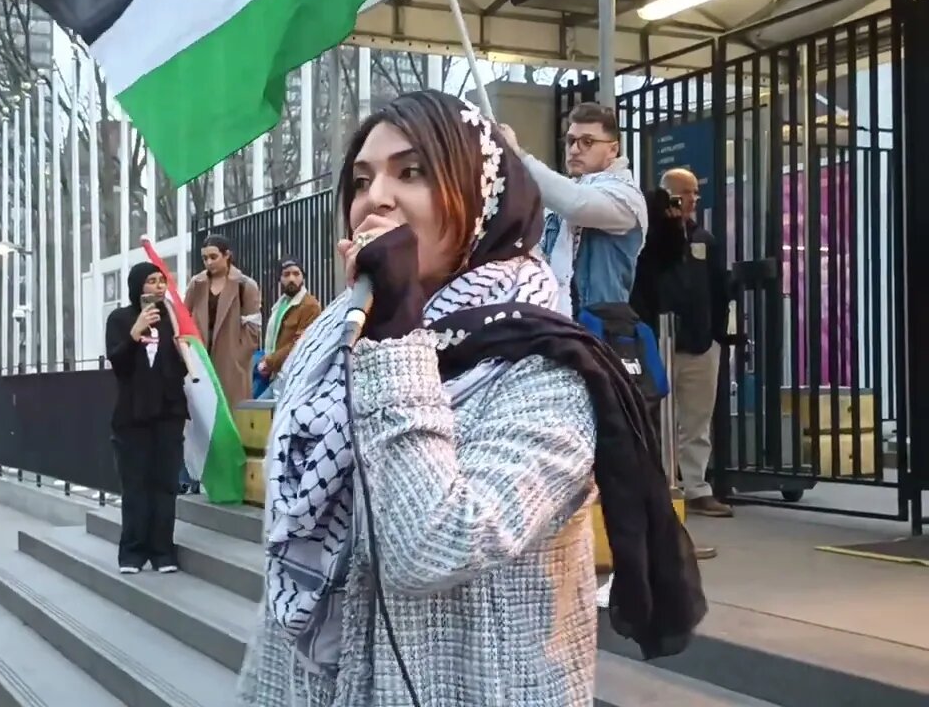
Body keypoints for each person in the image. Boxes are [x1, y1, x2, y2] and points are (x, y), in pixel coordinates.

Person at [237, 90, 703, 706]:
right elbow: (288, 582)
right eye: (360, 180)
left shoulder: (548, 368)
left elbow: (432, 545)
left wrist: (396, 331)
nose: (374, 199)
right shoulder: (335, 339)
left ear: (480, 199)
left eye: (412, 172)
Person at [634, 168, 734, 518]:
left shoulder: (704, 239)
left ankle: (696, 487)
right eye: (683, 193)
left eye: (694, 193)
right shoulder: (644, 239)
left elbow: (721, 290)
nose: (691, 200)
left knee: (696, 420)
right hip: (657, 343)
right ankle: (660, 488)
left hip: (700, 342)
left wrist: (718, 336)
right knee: (654, 418)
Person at [498, 102, 650, 317]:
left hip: (599, 330)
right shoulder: (567, 194)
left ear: (613, 149)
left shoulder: (626, 196)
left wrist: (518, 155)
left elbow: (576, 204)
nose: (575, 149)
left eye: (587, 142)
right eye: (570, 141)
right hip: (556, 323)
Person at [105, 262, 188, 574]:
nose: (158, 286)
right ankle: (132, 553)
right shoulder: (120, 318)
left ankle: (163, 552)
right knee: (136, 485)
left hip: (168, 413)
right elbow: (118, 362)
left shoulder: (174, 321)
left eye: (161, 281)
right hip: (133, 415)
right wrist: (135, 332)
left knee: (165, 484)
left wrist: (184, 352)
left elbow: (182, 366)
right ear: (138, 286)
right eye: (151, 281)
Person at [184, 234, 262, 406]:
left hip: (231, 361)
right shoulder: (196, 284)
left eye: (213, 257)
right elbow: (184, 317)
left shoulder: (245, 285)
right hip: (202, 356)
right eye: (205, 258)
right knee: (203, 412)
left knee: (230, 411)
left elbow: (253, 328)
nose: (209, 262)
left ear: (227, 255)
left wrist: (238, 356)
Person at [253, 257, 322, 398]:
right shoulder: (281, 304)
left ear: (303, 277)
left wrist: (269, 362)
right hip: (274, 373)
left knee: (261, 410)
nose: (291, 279)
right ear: (280, 278)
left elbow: (300, 342)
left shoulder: (310, 305)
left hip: (291, 375)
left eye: (296, 274)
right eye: (286, 274)